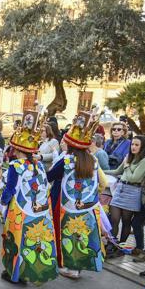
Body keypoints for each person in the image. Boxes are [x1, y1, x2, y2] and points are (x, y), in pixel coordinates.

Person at [0, 112, 58, 285]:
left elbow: (10, 189)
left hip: (19, 209)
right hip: (38, 210)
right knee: (33, 239)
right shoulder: (38, 164)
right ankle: (31, 271)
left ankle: (15, 274)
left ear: (16, 149)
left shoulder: (15, 165)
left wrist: (2, 204)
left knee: (16, 239)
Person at [47, 111, 107, 279]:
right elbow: (99, 183)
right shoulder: (92, 160)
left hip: (65, 202)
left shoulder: (66, 160)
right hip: (87, 204)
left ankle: (66, 264)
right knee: (81, 233)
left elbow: (49, 177)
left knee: (65, 232)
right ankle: (78, 267)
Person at [105, 135, 145, 258]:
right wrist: (100, 171)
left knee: (126, 222)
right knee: (114, 219)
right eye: (132, 144)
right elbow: (116, 172)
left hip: (133, 192)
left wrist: (126, 166)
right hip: (120, 189)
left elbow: (133, 177)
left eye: (136, 145)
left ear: (142, 147)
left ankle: (121, 247)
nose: (133, 147)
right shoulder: (129, 157)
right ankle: (111, 244)